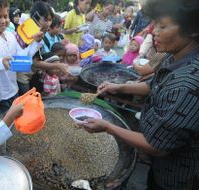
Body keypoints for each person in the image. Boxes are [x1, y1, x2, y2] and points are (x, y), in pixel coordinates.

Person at [80, 0, 199, 189]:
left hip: (177, 177)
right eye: (154, 24)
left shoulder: (188, 83)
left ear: (193, 29)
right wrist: (118, 87)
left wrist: (107, 127)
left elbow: (157, 146)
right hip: (159, 164)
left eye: (163, 26)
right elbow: (156, 84)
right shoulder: (174, 55)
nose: (153, 31)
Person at [0, 0, 43, 115]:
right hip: (0, 93)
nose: (3, 21)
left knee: (17, 117)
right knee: (7, 121)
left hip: (13, 87)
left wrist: (35, 42)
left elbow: (21, 56)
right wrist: (0, 63)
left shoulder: (10, 35)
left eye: (5, 16)